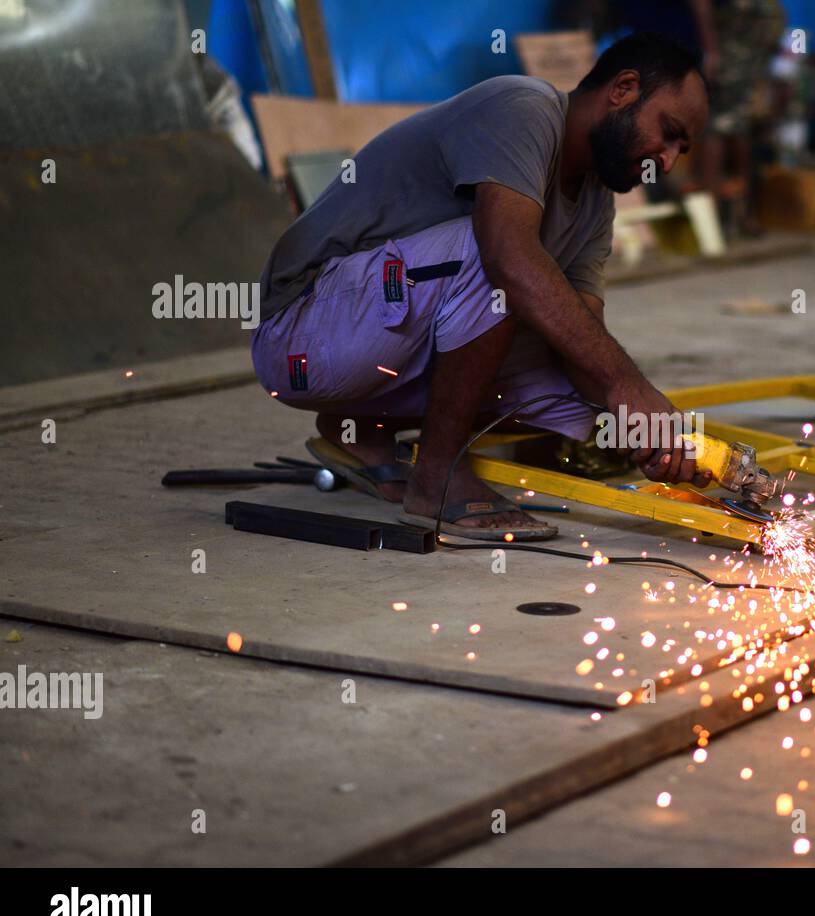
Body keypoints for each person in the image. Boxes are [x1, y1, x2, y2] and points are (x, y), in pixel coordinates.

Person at [251, 33, 711, 541]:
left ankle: (361, 432)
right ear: (624, 89)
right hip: (301, 333)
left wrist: (645, 428)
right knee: (501, 257)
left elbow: (581, 339)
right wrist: (628, 382)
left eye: (680, 150)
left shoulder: (597, 202)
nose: (667, 161)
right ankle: (438, 479)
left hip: (369, 347)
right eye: (667, 134)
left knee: (590, 402)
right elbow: (506, 257)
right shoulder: (523, 107)